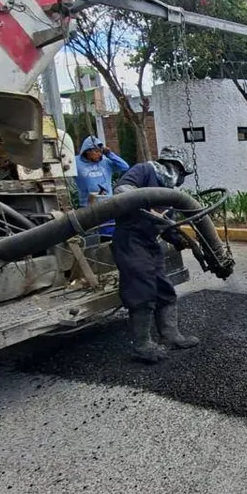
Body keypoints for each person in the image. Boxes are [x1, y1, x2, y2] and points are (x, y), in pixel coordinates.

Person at [112, 147, 199, 364]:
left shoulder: (169, 191)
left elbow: (166, 224)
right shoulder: (144, 171)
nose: (180, 181)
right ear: (176, 167)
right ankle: (142, 345)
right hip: (130, 239)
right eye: (182, 174)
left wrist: (179, 240)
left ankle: (170, 335)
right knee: (141, 288)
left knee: (164, 287)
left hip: (150, 242)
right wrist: (146, 207)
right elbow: (121, 190)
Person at [74, 136, 129, 236]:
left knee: (108, 235)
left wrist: (109, 154)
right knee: (92, 236)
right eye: (96, 152)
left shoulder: (105, 161)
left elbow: (124, 167)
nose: (100, 155)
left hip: (107, 205)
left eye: (101, 151)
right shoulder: (76, 162)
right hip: (88, 207)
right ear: (87, 151)